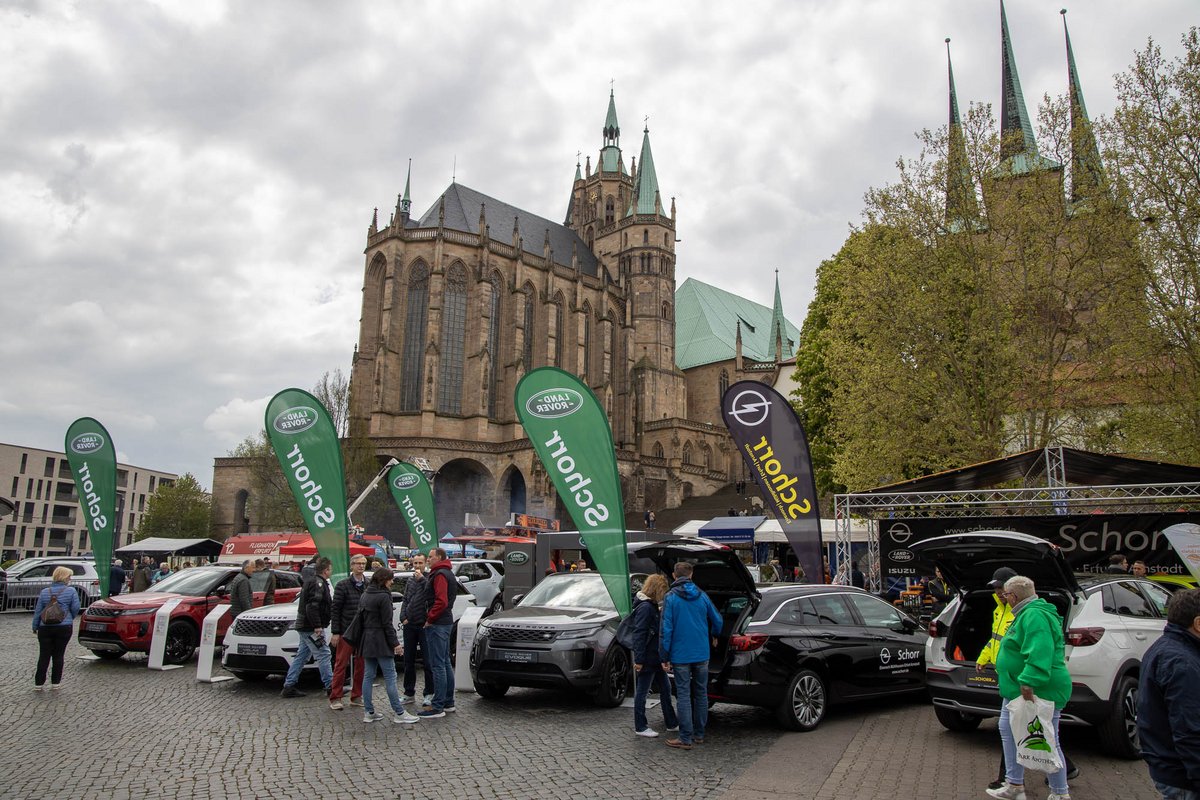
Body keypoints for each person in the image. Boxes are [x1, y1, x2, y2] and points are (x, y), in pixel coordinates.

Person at [986, 575, 1072, 800]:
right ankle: (1014, 784)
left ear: (1013, 596)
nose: (1003, 597)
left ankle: (1060, 792)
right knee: (1008, 730)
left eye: (1006, 594)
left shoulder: (1034, 615)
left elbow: (1039, 650)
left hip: (1037, 689)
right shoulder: (1026, 613)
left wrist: (1028, 681)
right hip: (1016, 689)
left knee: (1047, 740)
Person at [1138, 588, 1200, 799]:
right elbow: (1190, 731)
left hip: (1173, 768)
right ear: (1198, 624)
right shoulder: (1182, 663)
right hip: (1184, 777)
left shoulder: (1169, 648)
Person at [659, 561, 722, 750]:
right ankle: (699, 734)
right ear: (691, 575)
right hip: (701, 652)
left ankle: (685, 737)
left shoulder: (670, 597)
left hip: (680, 654)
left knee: (684, 694)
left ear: (674, 575)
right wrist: (715, 634)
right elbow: (717, 620)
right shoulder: (702, 595)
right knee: (701, 693)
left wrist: (664, 656)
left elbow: (666, 629)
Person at [357, 567, 419, 725]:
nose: (392, 582)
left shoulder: (365, 594)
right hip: (381, 640)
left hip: (367, 639)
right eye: (391, 579)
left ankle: (369, 712)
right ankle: (399, 712)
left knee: (368, 676)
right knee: (390, 676)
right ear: (384, 580)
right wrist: (396, 644)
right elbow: (387, 624)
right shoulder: (384, 596)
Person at [630, 574, 678, 738]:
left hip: (654, 657)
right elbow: (639, 634)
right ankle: (641, 726)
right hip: (648, 658)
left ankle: (671, 722)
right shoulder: (646, 608)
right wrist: (639, 660)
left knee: (665, 689)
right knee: (643, 692)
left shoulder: (648, 606)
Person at [281, 557, 333, 698]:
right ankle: (331, 686)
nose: (331, 571)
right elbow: (312, 606)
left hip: (304, 625)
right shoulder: (318, 584)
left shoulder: (311, 581)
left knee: (302, 655)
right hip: (310, 627)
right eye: (330, 569)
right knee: (323, 654)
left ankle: (289, 685)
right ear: (326, 570)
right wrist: (317, 625)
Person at [418, 548, 456, 718]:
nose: (428, 559)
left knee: (438, 664)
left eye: (430, 557)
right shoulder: (446, 572)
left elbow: (441, 601)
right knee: (445, 662)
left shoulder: (440, 574)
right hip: (444, 621)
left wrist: (430, 618)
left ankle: (438, 705)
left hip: (438, 623)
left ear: (439, 557)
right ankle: (448, 702)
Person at [328, 554, 369, 711]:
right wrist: (336, 632)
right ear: (352, 565)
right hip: (346, 631)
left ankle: (357, 695)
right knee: (341, 664)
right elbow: (335, 609)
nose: (361, 566)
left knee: (361, 665)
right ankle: (335, 697)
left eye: (363, 563)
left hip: (363, 631)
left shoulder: (368, 584)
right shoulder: (342, 585)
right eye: (358, 563)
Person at [31, 566, 81, 690]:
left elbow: (38, 610)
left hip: (45, 627)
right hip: (63, 627)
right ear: (64, 577)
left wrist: (35, 625)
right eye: (69, 576)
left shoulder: (45, 592)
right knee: (59, 654)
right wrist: (69, 617)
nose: (70, 579)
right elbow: (75, 608)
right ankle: (55, 682)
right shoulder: (71, 591)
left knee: (44, 655)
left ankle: (39, 683)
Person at [401, 553, 434, 706]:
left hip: (424, 625)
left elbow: (430, 594)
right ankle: (409, 692)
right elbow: (405, 599)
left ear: (425, 563)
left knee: (428, 662)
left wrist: (422, 579)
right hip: (410, 624)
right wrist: (403, 617)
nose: (417, 566)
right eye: (415, 563)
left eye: (420, 563)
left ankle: (429, 693)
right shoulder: (410, 580)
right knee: (408, 660)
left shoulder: (428, 579)